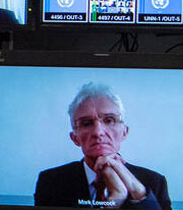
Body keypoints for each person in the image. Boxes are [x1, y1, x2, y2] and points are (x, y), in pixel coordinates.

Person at [33, 83, 171, 210]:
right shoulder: (51, 182)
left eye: (109, 120)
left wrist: (139, 193)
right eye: (87, 123)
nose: (98, 132)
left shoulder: (154, 182)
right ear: (75, 138)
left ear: (124, 132)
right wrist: (114, 200)